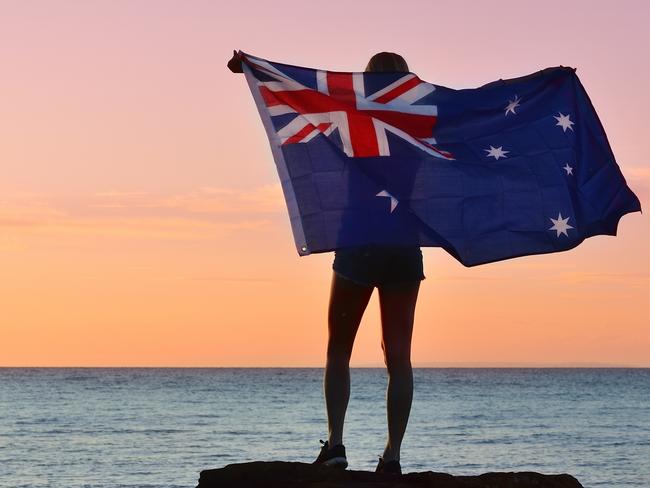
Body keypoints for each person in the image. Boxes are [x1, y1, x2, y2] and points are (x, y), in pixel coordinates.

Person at [227, 50, 424, 476]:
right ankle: (392, 457)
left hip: (358, 242)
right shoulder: (423, 126)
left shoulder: (351, 117)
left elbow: (301, 98)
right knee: (400, 359)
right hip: (404, 246)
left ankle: (335, 445)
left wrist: (255, 70)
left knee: (339, 349)